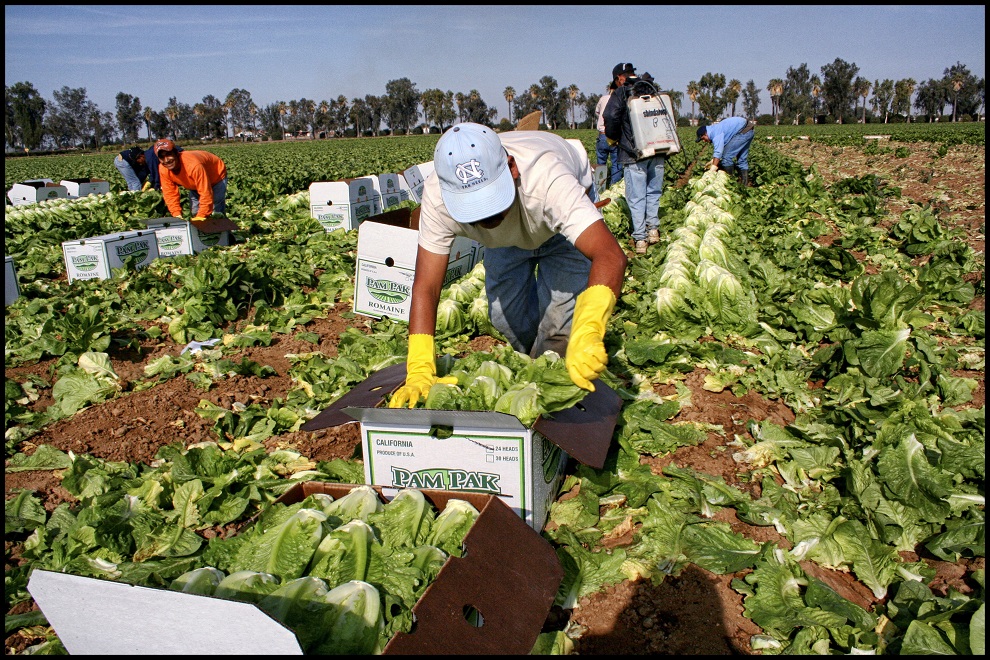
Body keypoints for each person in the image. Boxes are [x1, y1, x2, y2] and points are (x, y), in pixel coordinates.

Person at [388, 123, 628, 409]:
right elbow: (426, 286)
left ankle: (555, 388)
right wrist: (419, 368)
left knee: (561, 331)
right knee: (505, 316)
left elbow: (609, 255)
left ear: (512, 168)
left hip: (557, 227)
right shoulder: (438, 198)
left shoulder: (549, 180)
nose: (484, 214)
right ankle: (535, 364)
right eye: (471, 206)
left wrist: (589, 329)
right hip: (504, 238)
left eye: (490, 200)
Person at [603, 62, 664, 255]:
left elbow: (610, 116)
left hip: (633, 153)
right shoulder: (650, 87)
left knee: (636, 197)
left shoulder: (622, 92)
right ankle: (653, 230)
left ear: (619, 78)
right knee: (653, 191)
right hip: (658, 149)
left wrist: (614, 137)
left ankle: (640, 239)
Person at [154, 138, 228, 218]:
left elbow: (205, 193)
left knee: (216, 211)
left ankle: (222, 225)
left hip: (216, 175)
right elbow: (169, 193)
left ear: (176, 153)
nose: (166, 160)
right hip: (194, 183)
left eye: (169, 154)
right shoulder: (163, 169)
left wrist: (201, 216)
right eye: (162, 157)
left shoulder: (193, 165)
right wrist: (176, 214)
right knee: (195, 211)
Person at [696, 116, 757, 187]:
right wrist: (713, 161)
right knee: (741, 158)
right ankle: (745, 185)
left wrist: (713, 168)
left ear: (705, 134)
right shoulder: (715, 129)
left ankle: (731, 182)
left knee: (726, 158)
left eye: (703, 138)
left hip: (743, 131)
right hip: (748, 129)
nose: (704, 141)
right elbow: (723, 147)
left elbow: (718, 152)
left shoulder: (715, 133)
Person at [594, 82, 621, 187]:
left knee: (601, 164)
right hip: (615, 136)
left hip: (602, 134)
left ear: (610, 89)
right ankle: (614, 187)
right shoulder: (620, 100)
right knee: (616, 164)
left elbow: (597, 112)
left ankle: (600, 187)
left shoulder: (603, 99)